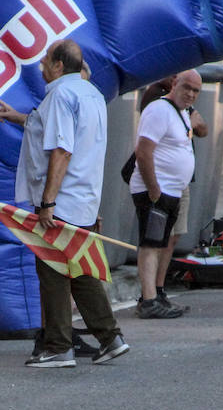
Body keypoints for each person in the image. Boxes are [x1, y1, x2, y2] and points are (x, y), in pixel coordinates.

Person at [11, 38, 128, 368]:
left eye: (46, 60)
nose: (41, 66)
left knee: (52, 271)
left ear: (59, 66)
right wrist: (21, 118)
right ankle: (110, 337)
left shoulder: (61, 95)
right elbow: (83, 146)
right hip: (85, 199)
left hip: (62, 201)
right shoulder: (92, 94)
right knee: (79, 270)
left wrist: (47, 202)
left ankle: (58, 346)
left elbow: (62, 150)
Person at [129, 70, 202, 319]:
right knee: (151, 244)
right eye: (187, 88)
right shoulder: (159, 109)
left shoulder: (180, 112)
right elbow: (143, 152)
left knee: (161, 243)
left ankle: (155, 295)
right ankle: (148, 301)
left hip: (171, 190)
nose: (191, 94)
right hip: (156, 190)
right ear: (175, 83)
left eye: (196, 91)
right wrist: (154, 190)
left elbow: (201, 130)